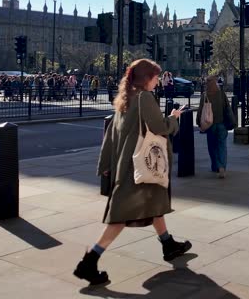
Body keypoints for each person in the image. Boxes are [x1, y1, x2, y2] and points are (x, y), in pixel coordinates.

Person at [74, 59, 191, 286]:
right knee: (119, 217)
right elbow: (159, 127)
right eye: (155, 77)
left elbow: (110, 136)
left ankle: (168, 244)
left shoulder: (124, 100)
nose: (158, 81)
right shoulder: (145, 98)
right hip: (137, 169)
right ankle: (89, 261)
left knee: (155, 204)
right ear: (146, 78)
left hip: (127, 165)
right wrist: (174, 119)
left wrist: (106, 165)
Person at [197, 76, 235, 178]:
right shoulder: (221, 94)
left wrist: (199, 123)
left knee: (212, 146)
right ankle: (222, 166)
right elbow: (227, 108)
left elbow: (200, 111)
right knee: (222, 146)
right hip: (222, 124)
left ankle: (215, 166)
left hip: (210, 125)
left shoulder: (205, 95)